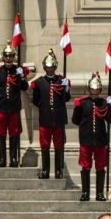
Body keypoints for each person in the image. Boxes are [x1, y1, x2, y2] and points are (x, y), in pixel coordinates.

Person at [72, 71, 111, 202]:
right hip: (86, 138)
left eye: (97, 89)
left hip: (100, 139)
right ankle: (85, 192)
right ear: (89, 88)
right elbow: (75, 120)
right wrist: (77, 109)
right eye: (92, 89)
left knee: (100, 166)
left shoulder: (103, 103)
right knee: (85, 166)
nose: (95, 91)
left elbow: (110, 120)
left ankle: (100, 193)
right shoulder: (83, 103)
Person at [30, 49, 70, 179]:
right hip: (45, 118)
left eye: (52, 67)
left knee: (58, 145)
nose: (50, 69)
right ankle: (46, 170)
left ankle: (58, 171)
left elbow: (66, 98)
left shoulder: (61, 81)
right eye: (48, 67)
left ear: (55, 66)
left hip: (58, 119)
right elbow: (35, 100)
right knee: (45, 145)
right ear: (44, 67)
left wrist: (66, 88)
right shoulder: (40, 82)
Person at [0, 41, 29, 168]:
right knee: (1, 134)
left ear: (14, 57)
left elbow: (24, 87)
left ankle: (13, 158)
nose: (8, 58)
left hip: (14, 108)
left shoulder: (18, 71)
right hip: (1, 107)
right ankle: (1, 159)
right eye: (6, 56)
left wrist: (22, 77)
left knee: (14, 134)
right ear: (3, 57)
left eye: (11, 56)